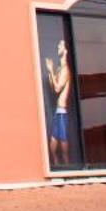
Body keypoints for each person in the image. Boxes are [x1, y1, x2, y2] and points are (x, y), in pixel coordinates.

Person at [43, 37, 73, 167]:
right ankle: (56, 166)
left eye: (61, 46)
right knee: (53, 142)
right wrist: (50, 72)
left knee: (62, 142)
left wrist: (51, 71)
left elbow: (57, 88)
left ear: (66, 50)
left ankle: (68, 167)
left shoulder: (65, 69)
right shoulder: (60, 69)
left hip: (62, 113)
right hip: (58, 111)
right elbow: (52, 85)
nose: (58, 48)